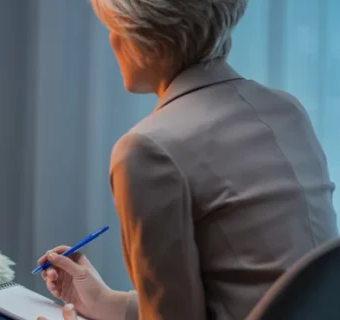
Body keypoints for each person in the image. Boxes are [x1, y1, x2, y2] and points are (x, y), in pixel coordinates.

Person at [37, 0, 339, 319]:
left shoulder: (147, 149)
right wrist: (102, 302)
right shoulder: (287, 110)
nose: (112, 41)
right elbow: (262, 298)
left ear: (153, 41)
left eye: (116, 28)